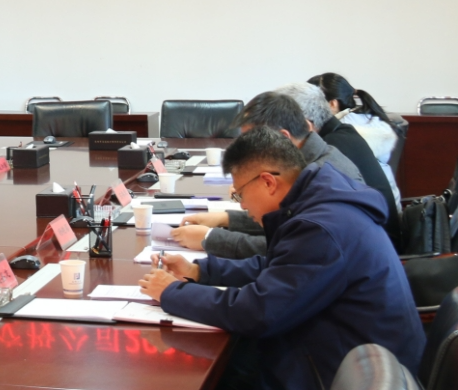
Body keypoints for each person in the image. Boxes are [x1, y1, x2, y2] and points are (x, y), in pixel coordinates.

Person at [138, 127, 423, 390]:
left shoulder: (321, 227)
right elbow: (279, 268)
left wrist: (172, 292)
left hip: (339, 371)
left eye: (240, 195)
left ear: (268, 182)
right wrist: (199, 271)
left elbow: (258, 312)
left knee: (205, 368)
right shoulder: (318, 200)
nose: (243, 205)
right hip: (340, 350)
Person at [170, 91, 363, 258]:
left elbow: (288, 248)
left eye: (254, 142)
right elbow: (283, 222)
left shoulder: (323, 178)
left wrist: (211, 238)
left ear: (283, 138)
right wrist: (225, 219)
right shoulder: (308, 162)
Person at [272, 82, 399, 244]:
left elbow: (298, 223)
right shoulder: (342, 134)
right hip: (374, 240)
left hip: (376, 246)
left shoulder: (329, 151)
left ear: (304, 124)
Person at [309, 72, 403, 205]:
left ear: (333, 104)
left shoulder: (340, 133)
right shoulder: (366, 118)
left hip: (374, 210)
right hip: (390, 206)